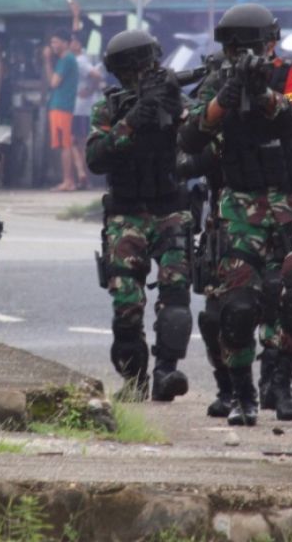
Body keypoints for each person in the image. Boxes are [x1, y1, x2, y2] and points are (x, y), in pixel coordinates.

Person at [179, 3, 292, 426]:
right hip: (240, 207)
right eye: (235, 51)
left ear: (271, 45)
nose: (244, 58)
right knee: (237, 309)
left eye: (251, 49)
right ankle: (242, 394)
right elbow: (190, 137)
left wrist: (264, 96)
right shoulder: (217, 81)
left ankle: (280, 384)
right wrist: (221, 104)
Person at [86, 30, 192, 402]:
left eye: (148, 67)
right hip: (126, 214)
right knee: (126, 304)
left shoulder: (176, 101)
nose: (143, 74)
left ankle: (166, 371)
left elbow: (200, 144)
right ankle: (134, 380)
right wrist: (132, 120)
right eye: (135, 70)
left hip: (170, 209)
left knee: (175, 297)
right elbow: (96, 157)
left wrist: (175, 111)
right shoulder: (110, 108)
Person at [46, 27, 80, 191]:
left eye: (55, 41)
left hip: (62, 106)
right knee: (64, 144)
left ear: (65, 43)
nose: (52, 45)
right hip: (61, 106)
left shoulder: (65, 59)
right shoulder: (66, 59)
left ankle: (68, 181)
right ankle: (69, 180)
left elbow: (53, 82)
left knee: (65, 145)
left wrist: (46, 61)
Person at [71, 34, 103, 190]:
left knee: (78, 142)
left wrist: (90, 90)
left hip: (80, 107)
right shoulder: (81, 60)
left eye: (72, 42)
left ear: (77, 44)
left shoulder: (80, 61)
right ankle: (82, 174)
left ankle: (82, 174)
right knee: (78, 142)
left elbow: (96, 75)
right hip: (81, 107)